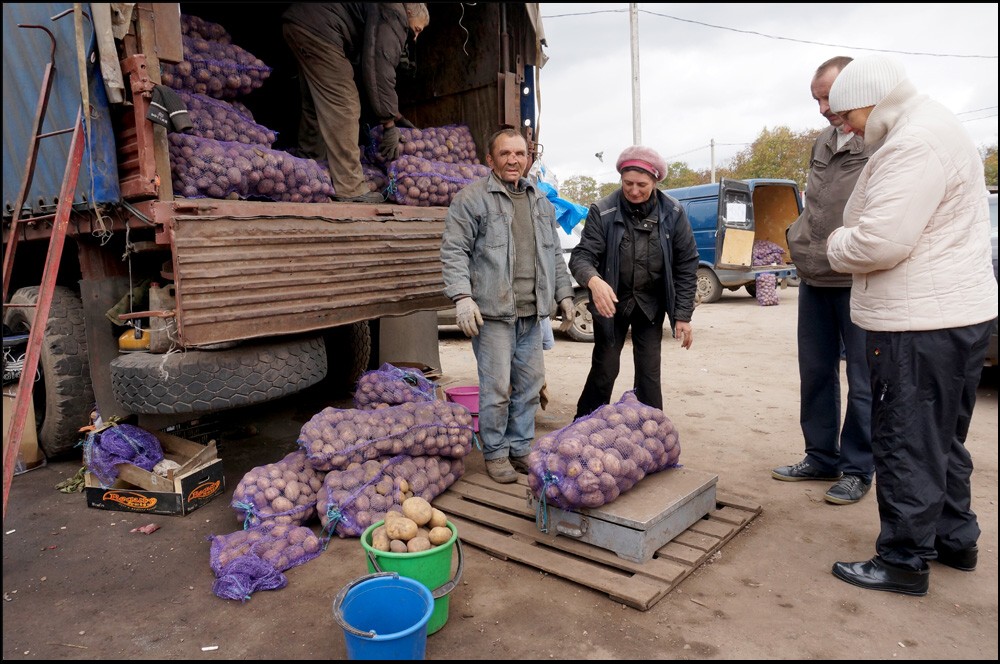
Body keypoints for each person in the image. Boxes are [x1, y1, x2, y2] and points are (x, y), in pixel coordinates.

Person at [825, 55, 998, 596]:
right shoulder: (933, 126)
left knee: (905, 440)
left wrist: (834, 244)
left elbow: (879, 240)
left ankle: (902, 559)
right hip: (954, 317)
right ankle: (954, 538)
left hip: (917, 323)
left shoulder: (912, 143)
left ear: (872, 101)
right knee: (941, 438)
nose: (844, 125)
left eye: (846, 113)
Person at [440, 127, 576, 484]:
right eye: (505, 154)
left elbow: (554, 255)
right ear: (490, 159)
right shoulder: (471, 199)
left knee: (530, 387)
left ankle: (520, 448)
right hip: (494, 314)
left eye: (520, 154)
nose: (513, 160)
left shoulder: (539, 201)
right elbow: (454, 250)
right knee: (497, 389)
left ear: (528, 158)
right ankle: (496, 452)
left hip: (532, 315)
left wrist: (564, 294)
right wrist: (462, 296)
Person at [772, 56, 878, 505]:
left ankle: (858, 468)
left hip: (858, 279)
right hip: (815, 277)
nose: (822, 108)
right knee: (815, 372)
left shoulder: (879, 139)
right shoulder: (823, 139)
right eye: (816, 99)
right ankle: (820, 456)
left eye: (828, 98)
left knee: (864, 379)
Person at [568, 146, 699, 419]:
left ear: (655, 181)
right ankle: (584, 427)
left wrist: (682, 315)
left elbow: (686, 264)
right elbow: (582, 256)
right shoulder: (603, 211)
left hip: (651, 304)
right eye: (628, 183)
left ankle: (651, 432)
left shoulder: (673, 213)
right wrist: (593, 280)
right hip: (611, 305)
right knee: (605, 368)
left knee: (649, 373)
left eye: (642, 184)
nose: (634, 190)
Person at [282, 3, 430, 203]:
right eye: (417, 29)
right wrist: (388, 124)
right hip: (322, 30)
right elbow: (380, 68)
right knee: (345, 104)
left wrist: (395, 115)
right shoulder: (395, 13)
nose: (415, 36)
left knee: (315, 104)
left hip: (300, 22)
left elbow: (369, 62)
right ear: (410, 12)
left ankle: (308, 171)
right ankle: (350, 188)